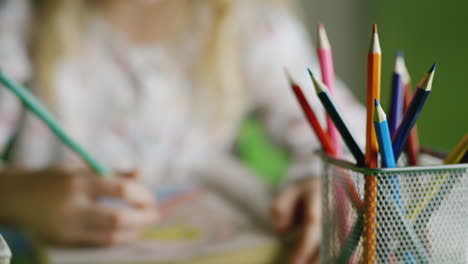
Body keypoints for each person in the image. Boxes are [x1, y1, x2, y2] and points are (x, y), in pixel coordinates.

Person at [0, 0, 365, 263]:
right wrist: (16, 196)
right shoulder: (20, 23)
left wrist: (326, 186)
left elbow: (352, 138)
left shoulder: (249, 24)